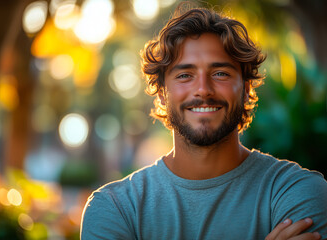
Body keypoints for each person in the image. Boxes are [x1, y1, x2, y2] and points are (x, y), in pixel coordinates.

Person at [80, 4, 327, 240]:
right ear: (163, 94)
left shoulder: (298, 192)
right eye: (185, 75)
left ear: (245, 88)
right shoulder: (116, 208)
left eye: (220, 73)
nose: (203, 90)